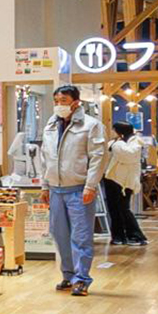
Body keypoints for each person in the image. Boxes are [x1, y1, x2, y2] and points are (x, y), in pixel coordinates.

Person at [33, 85, 106, 296]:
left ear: (76, 102)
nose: (59, 105)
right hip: (55, 190)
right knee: (59, 234)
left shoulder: (91, 125)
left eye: (63, 100)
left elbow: (98, 157)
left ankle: (81, 279)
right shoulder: (50, 126)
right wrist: (44, 185)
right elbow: (45, 158)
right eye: (56, 101)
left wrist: (91, 185)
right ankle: (68, 275)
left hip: (79, 189)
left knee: (81, 236)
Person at [103, 121, 147, 246]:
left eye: (113, 129)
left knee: (123, 208)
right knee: (114, 209)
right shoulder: (117, 142)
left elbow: (128, 156)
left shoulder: (135, 141)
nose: (112, 132)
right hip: (112, 178)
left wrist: (117, 143)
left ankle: (136, 236)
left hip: (124, 181)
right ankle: (118, 236)